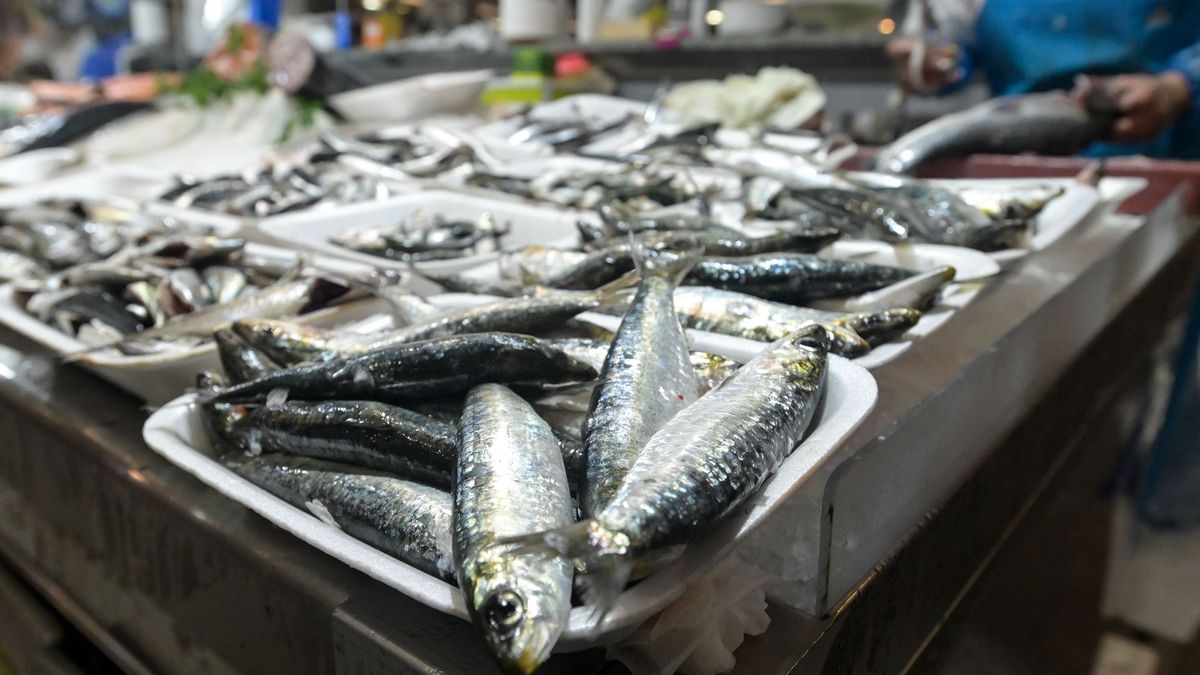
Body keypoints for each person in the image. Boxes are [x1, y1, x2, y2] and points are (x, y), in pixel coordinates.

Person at [886, 0, 1200, 159]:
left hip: (1170, 156)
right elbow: (956, 41)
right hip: (1023, 156)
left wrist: (1178, 87)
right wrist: (939, 62)